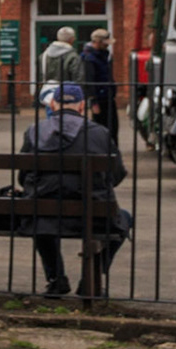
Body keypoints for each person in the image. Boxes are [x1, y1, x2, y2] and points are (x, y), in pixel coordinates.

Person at [20, 82, 131, 296]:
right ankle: (91, 278)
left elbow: (23, 176)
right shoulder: (99, 133)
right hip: (92, 217)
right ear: (82, 106)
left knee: (40, 213)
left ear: (53, 104)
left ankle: (56, 278)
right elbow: (115, 176)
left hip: (42, 216)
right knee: (124, 217)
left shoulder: (34, 131)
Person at [80, 28, 117, 135]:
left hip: (108, 95)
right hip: (100, 98)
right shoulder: (89, 58)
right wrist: (94, 101)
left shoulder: (104, 55)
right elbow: (89, 81)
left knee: (113, 127)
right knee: (101, 128)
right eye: (105, 43)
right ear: (97, 42)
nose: (107, 45)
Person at [39, 25, 82, 97]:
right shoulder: (73, 57)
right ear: (72, 39)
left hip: (48, 93)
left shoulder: (43, 55)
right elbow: (78, 78)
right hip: (67, 94)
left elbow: (40, 77)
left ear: (58, 38)